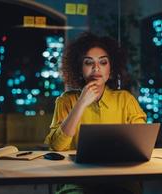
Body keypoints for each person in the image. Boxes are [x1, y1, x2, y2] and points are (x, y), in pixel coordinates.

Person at [44, 32, 147, 194]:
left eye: (103, 62)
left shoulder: (125, 100)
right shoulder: (66, 100)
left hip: (119, 179)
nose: (96, 68)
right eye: (88, 62)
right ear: (80, 69)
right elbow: (56, 146)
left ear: (111, 70)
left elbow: (142, 144)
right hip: (77, 180)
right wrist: (81, 103)